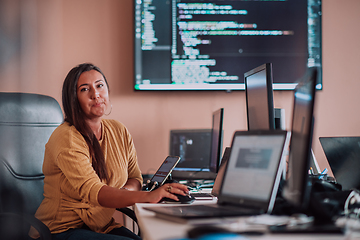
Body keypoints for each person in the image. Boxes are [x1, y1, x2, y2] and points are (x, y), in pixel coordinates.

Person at [30, 63, 189, 240]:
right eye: (85, 89)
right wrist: (149, 196)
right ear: (74, 99)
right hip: (60, 230)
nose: (95, 94)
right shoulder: (67, 137)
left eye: (99, 85)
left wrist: (125, 192)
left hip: (100, 227)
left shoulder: (118, 130)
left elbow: (135, 177)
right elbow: (95, 192)